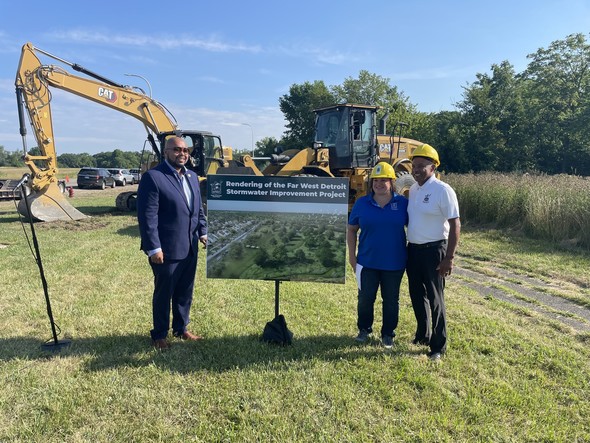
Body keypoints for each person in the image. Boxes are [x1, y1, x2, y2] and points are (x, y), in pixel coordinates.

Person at [137, 136, 208, 351]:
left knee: (185, 291)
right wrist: (153, 247)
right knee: (163, 293)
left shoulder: (192, 177)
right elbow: (147, 216)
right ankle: (159, 334)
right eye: (177, 150)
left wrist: (203, 231)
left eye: (185, 150)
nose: (182, 154)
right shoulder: (154, 177)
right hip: (166, 250)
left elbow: (198, 210)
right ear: (166, 152)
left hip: (189, 246)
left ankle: (181, 328)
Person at [406, 144, 460, 361]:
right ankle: (423, 335)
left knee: (436, 298)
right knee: (417, 296)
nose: (416, 169)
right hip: (414, 250)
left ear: (434, 166)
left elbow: (455, 224)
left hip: (435, 250)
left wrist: (449, 258)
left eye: (421, 165)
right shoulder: (415, 190)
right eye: (414, 165)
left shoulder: (443, 190)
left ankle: (438, 346)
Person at [347, 162, 408, 348]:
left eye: (384, 180)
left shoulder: (403, 204)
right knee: (365, 298)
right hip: (367, 261)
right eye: (376, 180)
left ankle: (388, 334)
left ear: (392, 182)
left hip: (394, 263)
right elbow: (351, 230)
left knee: (391, 301)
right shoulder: (361, 203)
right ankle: (364, 329)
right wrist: (352, 256)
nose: (379, 184)